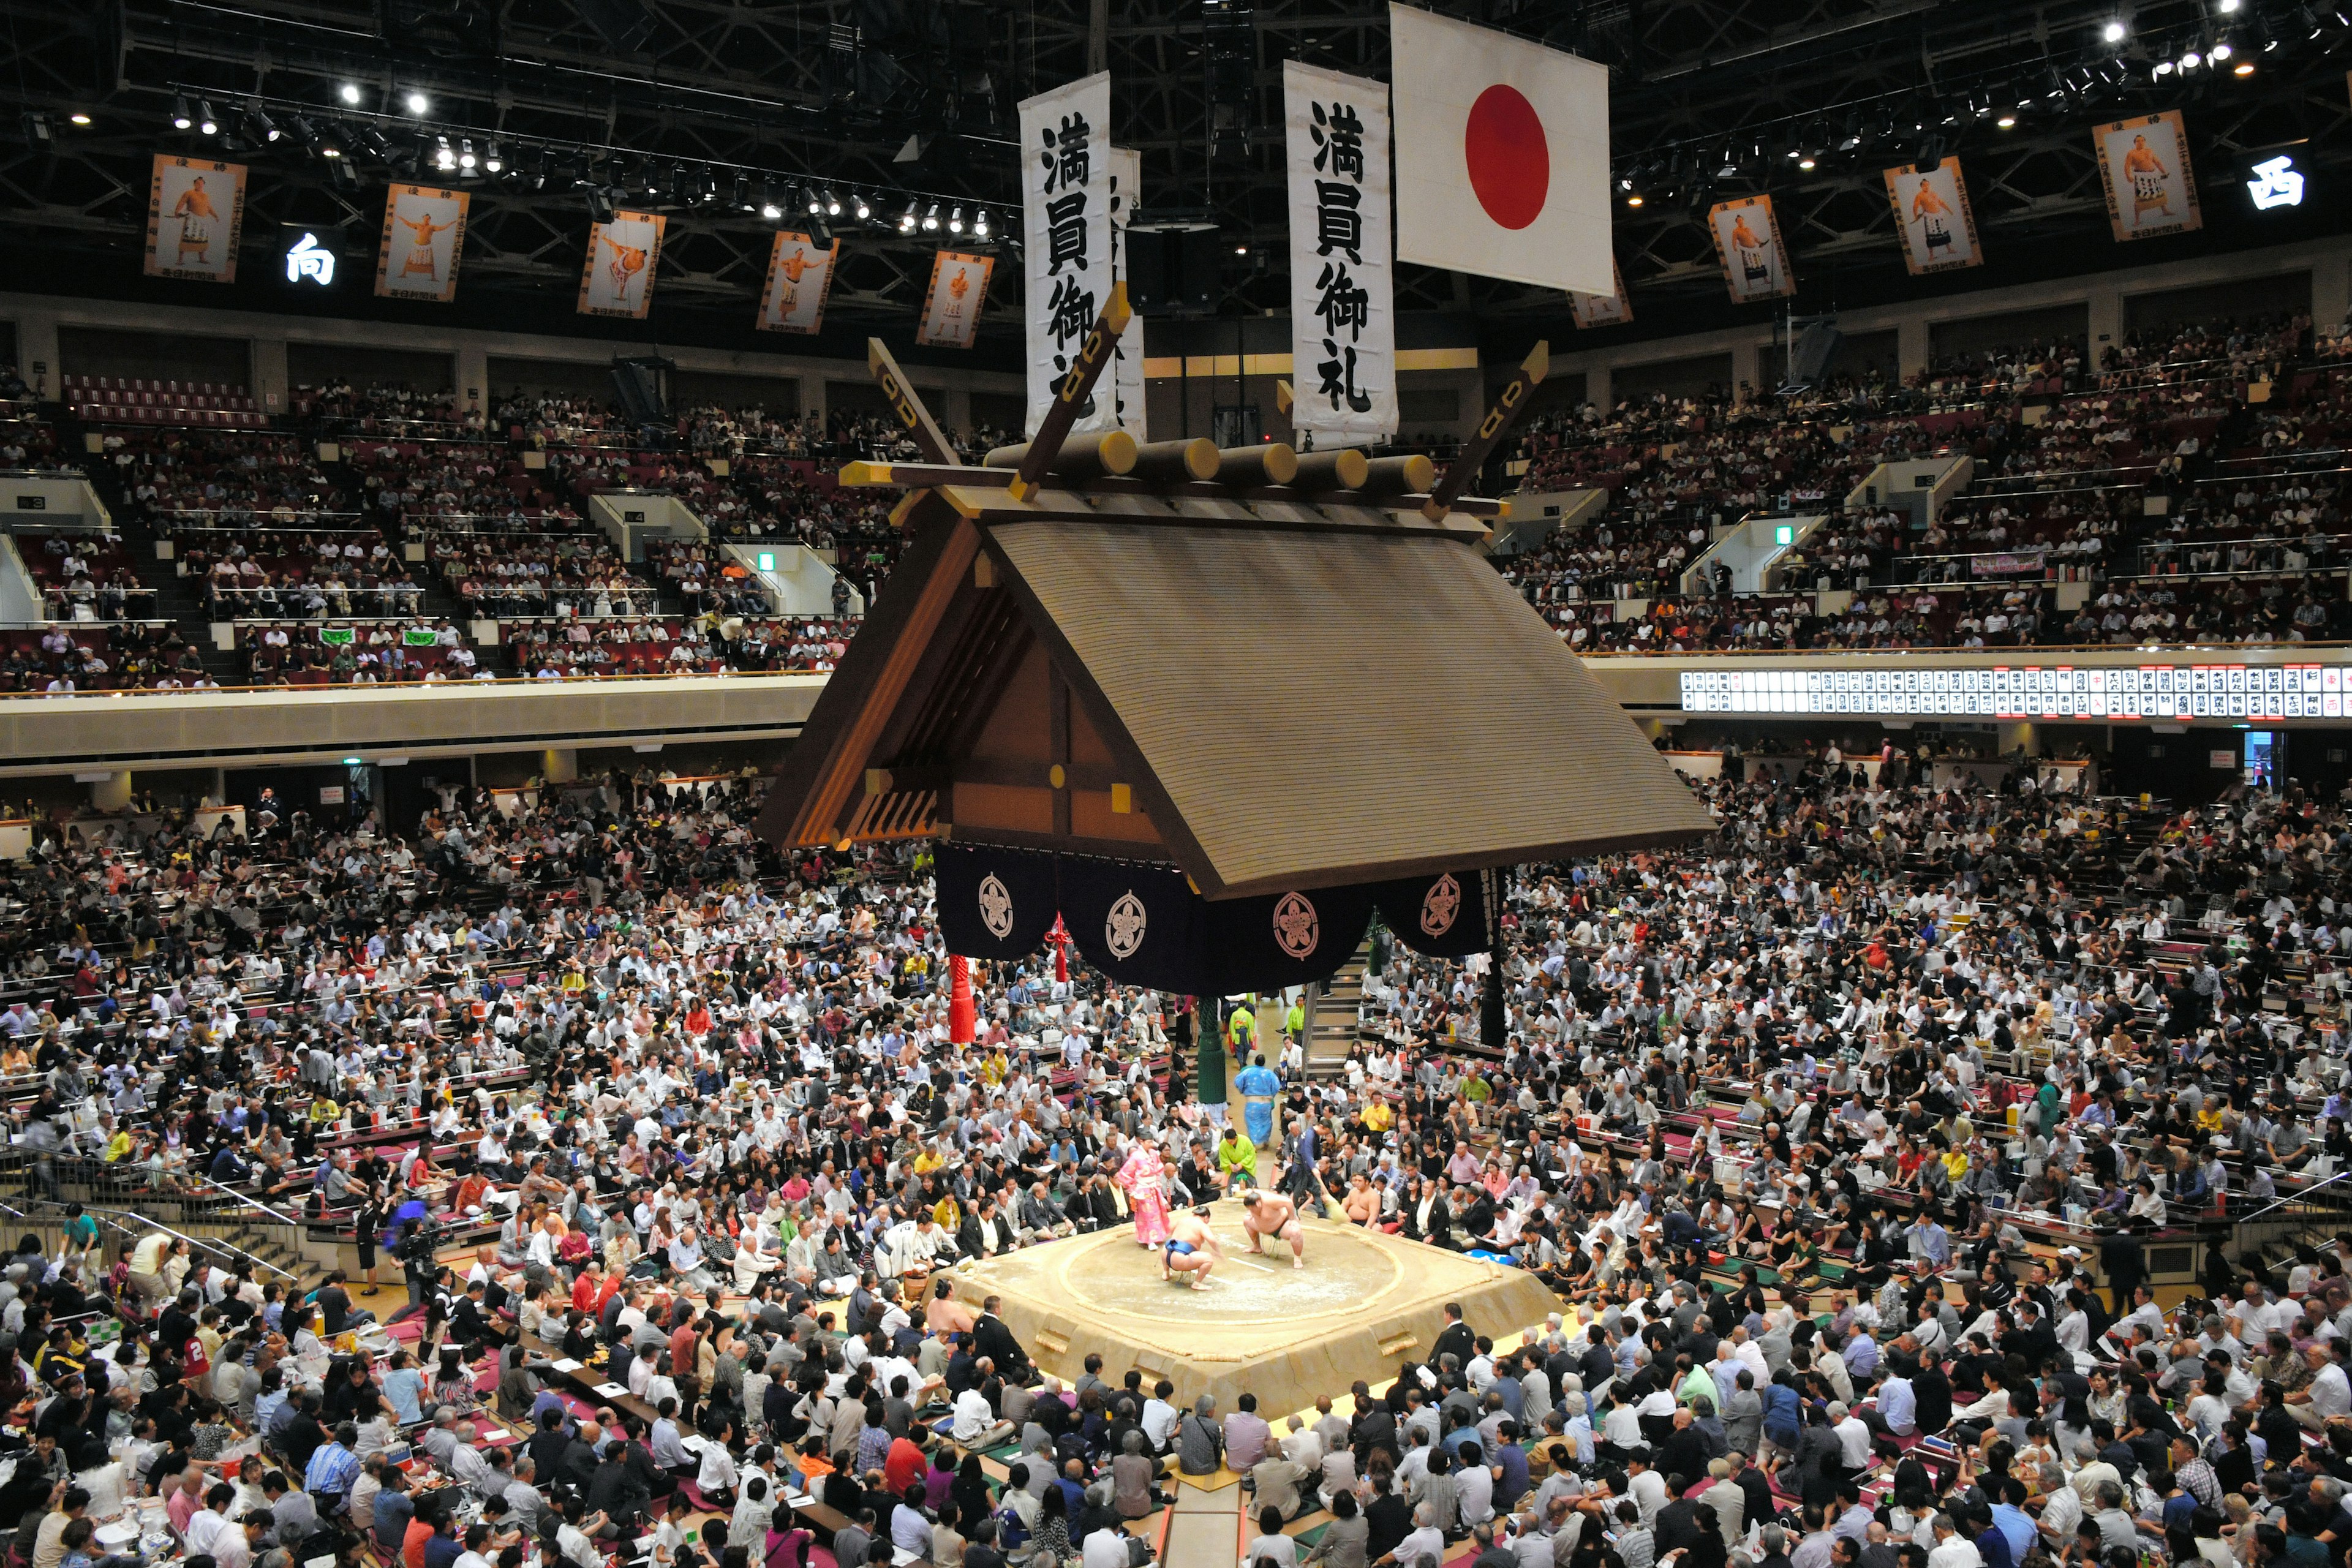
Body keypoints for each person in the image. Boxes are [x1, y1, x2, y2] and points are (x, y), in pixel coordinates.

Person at [1237, 1188, 1306, 1269]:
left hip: (1282, 1226)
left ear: (1258, 1204)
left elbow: (1289, 1202)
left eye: (1253, 1210)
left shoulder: (1270, 1200)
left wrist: (1293, 1219)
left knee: (1295, 1231)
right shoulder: (1250, 1197)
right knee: (1247, 1220)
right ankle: (1257, 1247)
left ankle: (1297, 1258)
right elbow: (1249, 1190)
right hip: (1263, 1227)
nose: (1252, 1212)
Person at [1163, 1207, 1223, 1290]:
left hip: (1167, 1257)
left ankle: (1166, 1273)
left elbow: (1169, 1229)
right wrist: (1218, 1252)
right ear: (1206, 1218)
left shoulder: (1182, 1219)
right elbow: (1212, 1240)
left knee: (1168, 1246)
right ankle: (1197, 1284)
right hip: (1180, 1260)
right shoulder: (1202, 1225)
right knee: (1208, 1258)